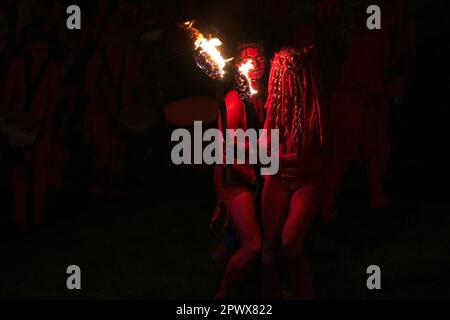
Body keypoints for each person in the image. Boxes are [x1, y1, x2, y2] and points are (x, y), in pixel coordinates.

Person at [321, 0, 416, 220]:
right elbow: (358, 77)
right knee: (344, 151)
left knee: (381, 147)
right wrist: (387, 90)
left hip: (371, 101)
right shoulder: (369, 39)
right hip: (353, 100)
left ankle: (375, 194)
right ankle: (326, 203)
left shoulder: (384, 37)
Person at [261, 47, 326, 299]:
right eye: (281, 77)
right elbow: (266, 142)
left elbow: (300, 156)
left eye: (289, 77)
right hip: (277, 176)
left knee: (290, 241)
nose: (284, 83)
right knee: (269, 244)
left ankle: (303, 293)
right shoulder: (275, 105)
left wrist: (262, 155)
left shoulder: (313, 109)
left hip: (306, 180)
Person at [211, 43, 267, 299]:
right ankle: (221, 296)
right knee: (253, 244)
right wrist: (252, 174)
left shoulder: (259, 95)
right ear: (238, 65)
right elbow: (225, 146)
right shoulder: (234, 99)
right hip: (234, 176)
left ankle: (226, 268)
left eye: (259, 59)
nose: (254, 65)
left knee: (243, 236)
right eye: (248, 60)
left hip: (253, 173)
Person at [0, 32, 59, 231]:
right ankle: (21, 216)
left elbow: (52, 100)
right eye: (38, 50)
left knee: (39, 171)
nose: (42, 54)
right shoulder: (17, 67)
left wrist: (44, 125)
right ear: (29, 48)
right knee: (20, 172)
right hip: (19, 127)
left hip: (40, 126)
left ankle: (37, 215)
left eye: (45, 50)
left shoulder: (51, 69)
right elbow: (6, 97)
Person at [84, 19, 149, 198]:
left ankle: (114, 189)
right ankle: (97, 188)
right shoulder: (98, 58)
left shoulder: (130, 55)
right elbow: (89, 87)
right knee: (106, 147)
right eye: (109, 34)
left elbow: (139, 82)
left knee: (119, 148)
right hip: (102, 108)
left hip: (125, 108)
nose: (112, 38)